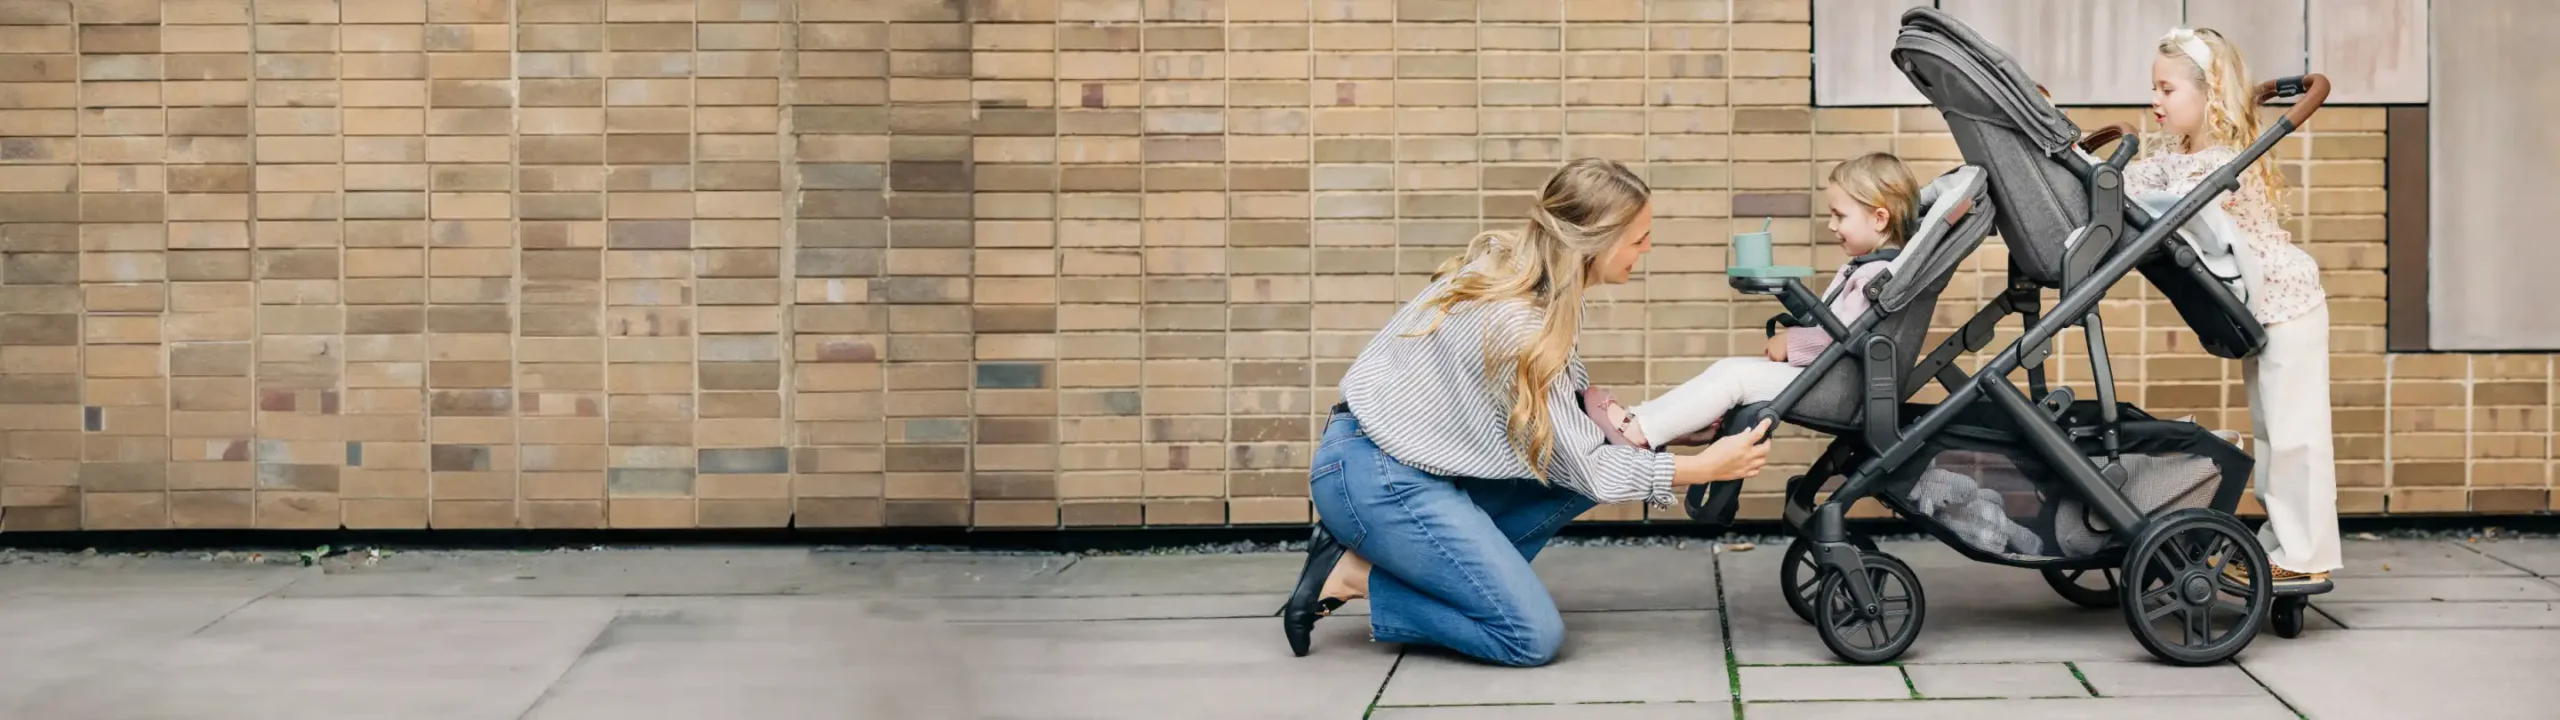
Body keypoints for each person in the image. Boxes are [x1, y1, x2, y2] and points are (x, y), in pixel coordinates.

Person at [1283, 158, 1777, 666]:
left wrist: (1668, 432)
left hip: (1411, 467)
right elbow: (1586, 466)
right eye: (1639, 238)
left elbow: (1570, 434)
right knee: (1528, 635)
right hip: (1376, 475)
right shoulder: (1518, 323)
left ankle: (1442, 574)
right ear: (1596, 241)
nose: (1647, 249)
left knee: (1593, 464)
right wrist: (1703, 468)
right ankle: (1353, 575)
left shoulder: (1532, 281)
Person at [2135, 26, 2340, 588]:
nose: (2155, 100)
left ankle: (2308, 554)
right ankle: (2283, 546)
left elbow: (2175, 198)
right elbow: (2133, 186)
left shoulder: (2223, 162)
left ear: (2208, 94)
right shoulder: (2178, 155)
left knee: (2297, 435)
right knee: (2272, 435)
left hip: (2288, 303)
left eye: (2167, 89)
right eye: (2154, 88)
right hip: (2259, 309)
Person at [1584, 153, 1923, 450]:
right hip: (1829, 377)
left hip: (1837, 386)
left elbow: (1847, 336)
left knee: (1737, 380)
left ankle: (1643, 431)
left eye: (1840, 215)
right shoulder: (1867, 269)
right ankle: (1639, 418)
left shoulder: (1872, 277)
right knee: (1729, 369)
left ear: (1880, 218)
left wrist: (1793, 342)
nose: (1831, 225)